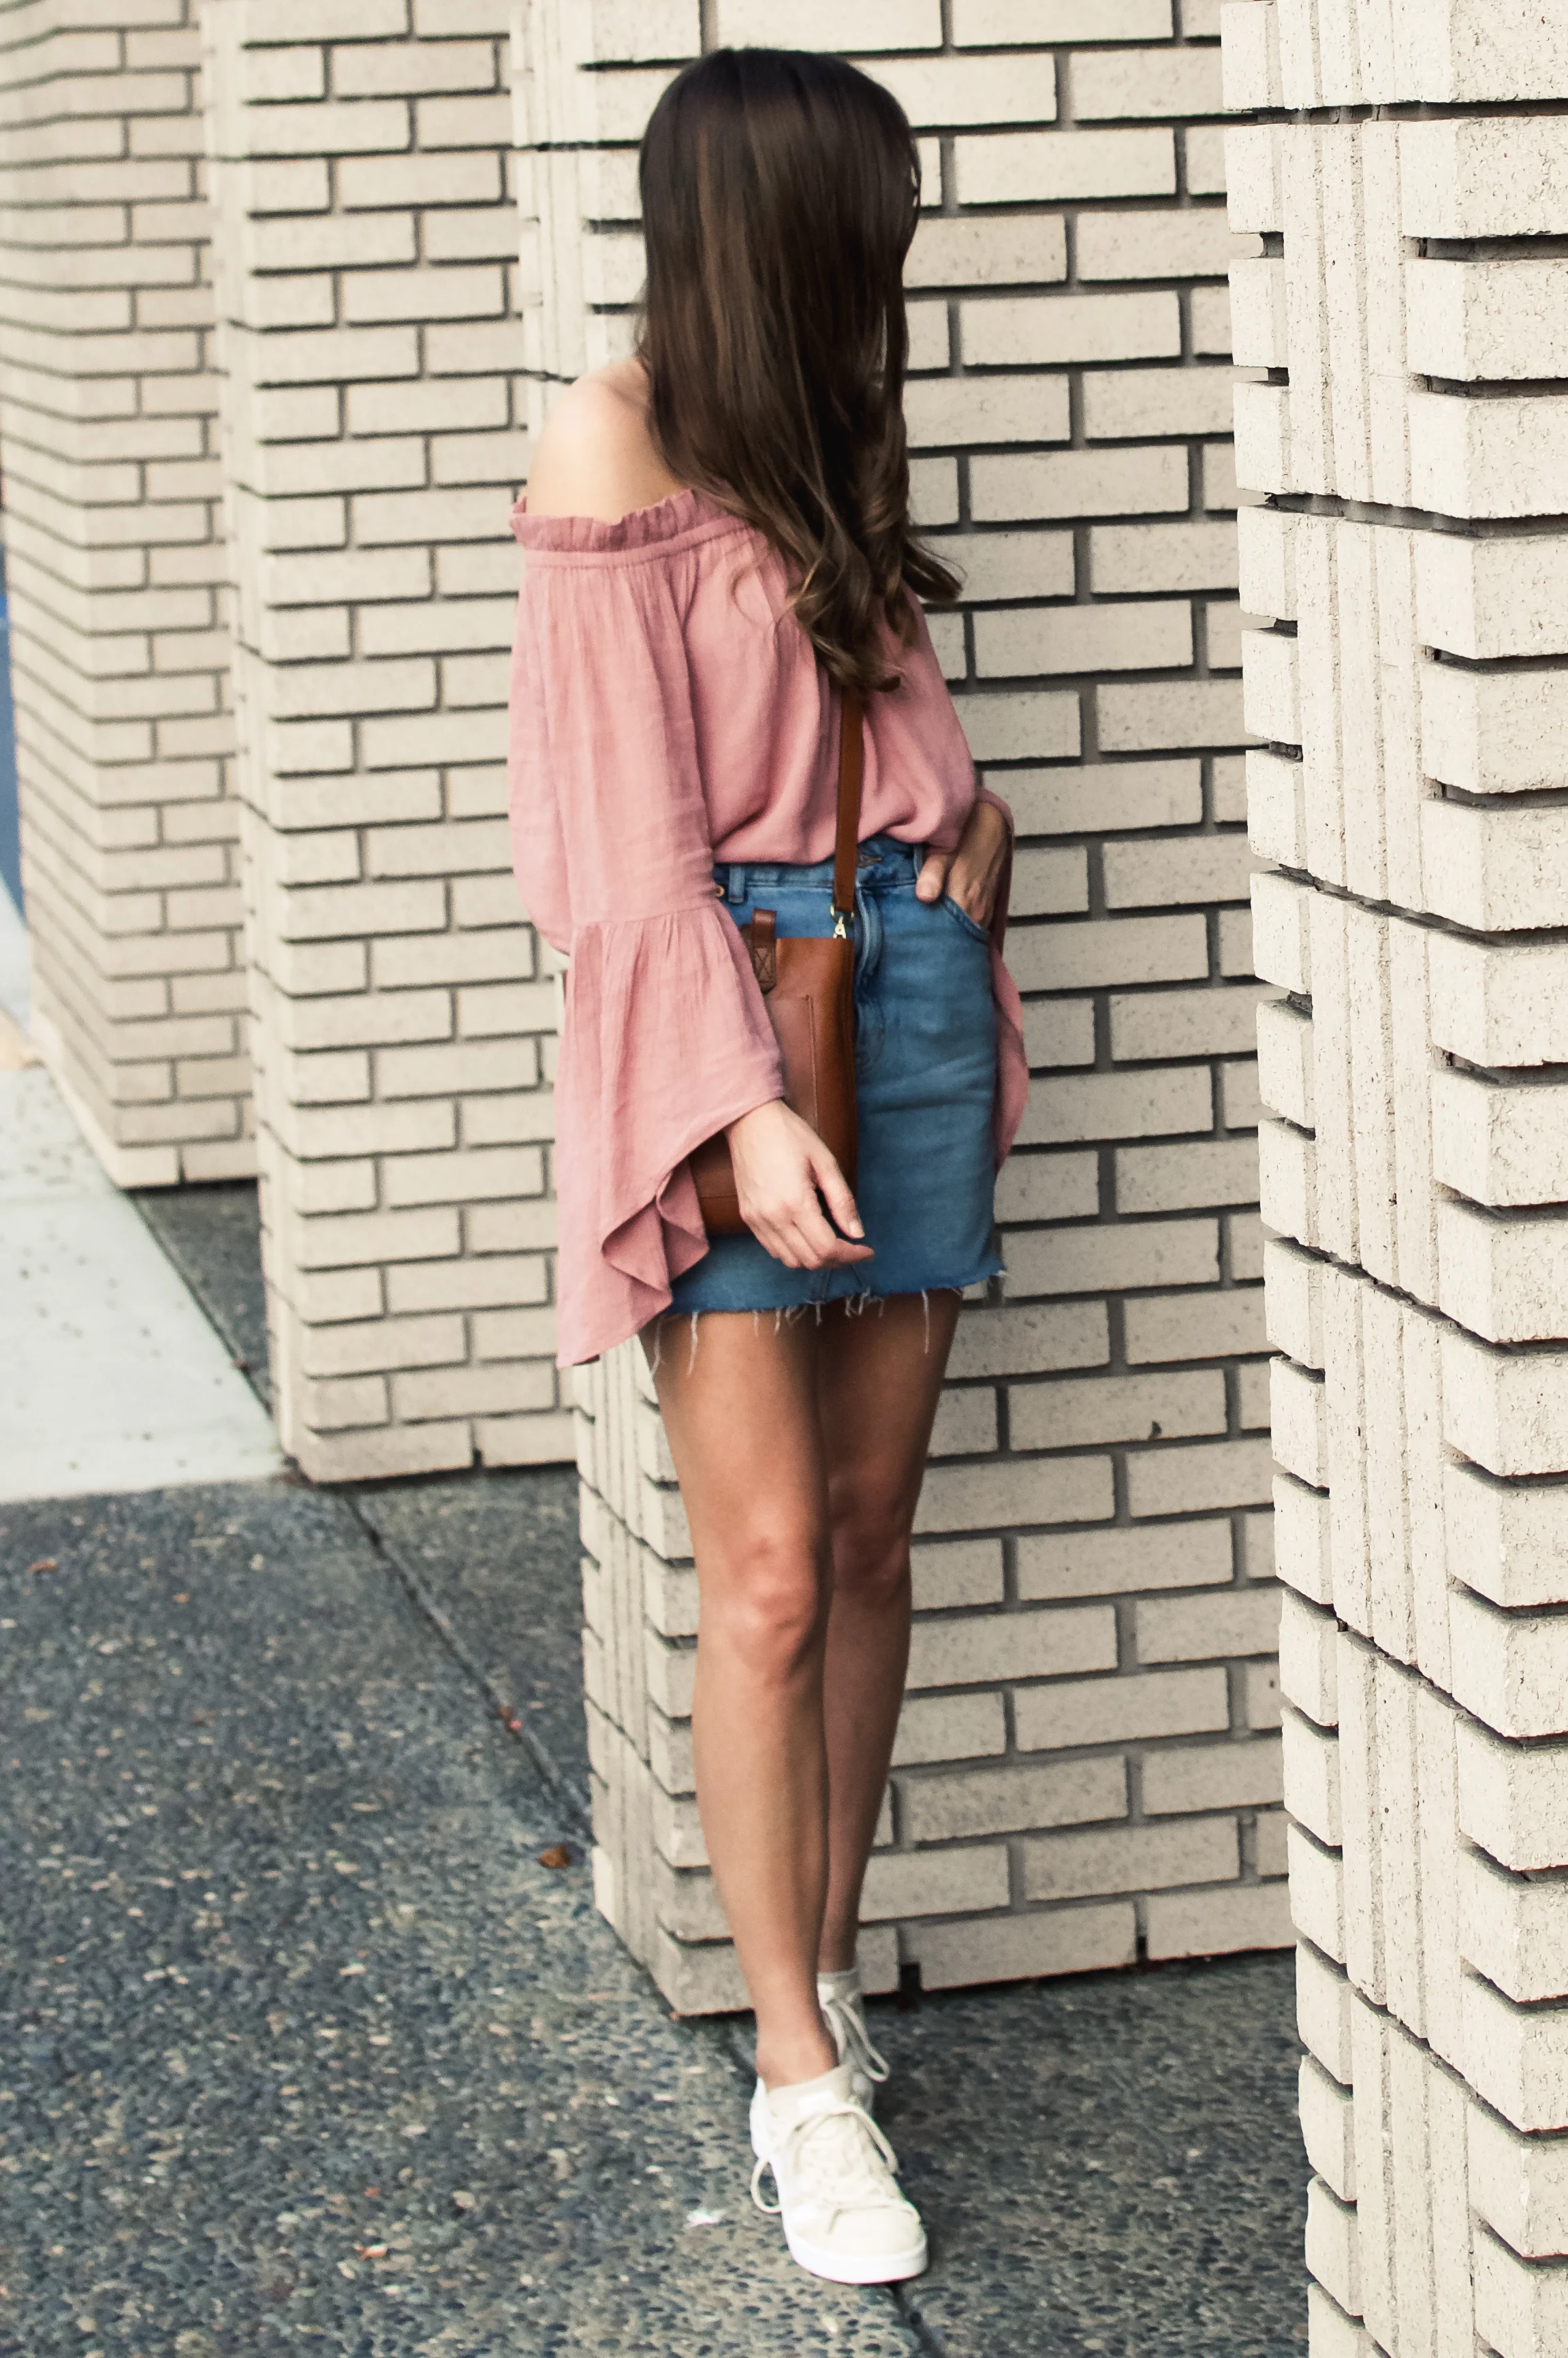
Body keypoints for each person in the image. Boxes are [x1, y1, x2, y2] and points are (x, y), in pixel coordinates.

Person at [507, 46, 1027, 2288]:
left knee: (882, 1537)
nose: (892, 258)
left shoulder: (822, 425)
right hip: (720, 1024)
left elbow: (871, 715)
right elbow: (618, 848)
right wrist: (733, 1102)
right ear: (785, 221)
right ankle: (796, 2080)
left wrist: (975, 818)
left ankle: (821, 1974)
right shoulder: (610, 437)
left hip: (899, 985)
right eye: (872, 221)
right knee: (776, 1571)